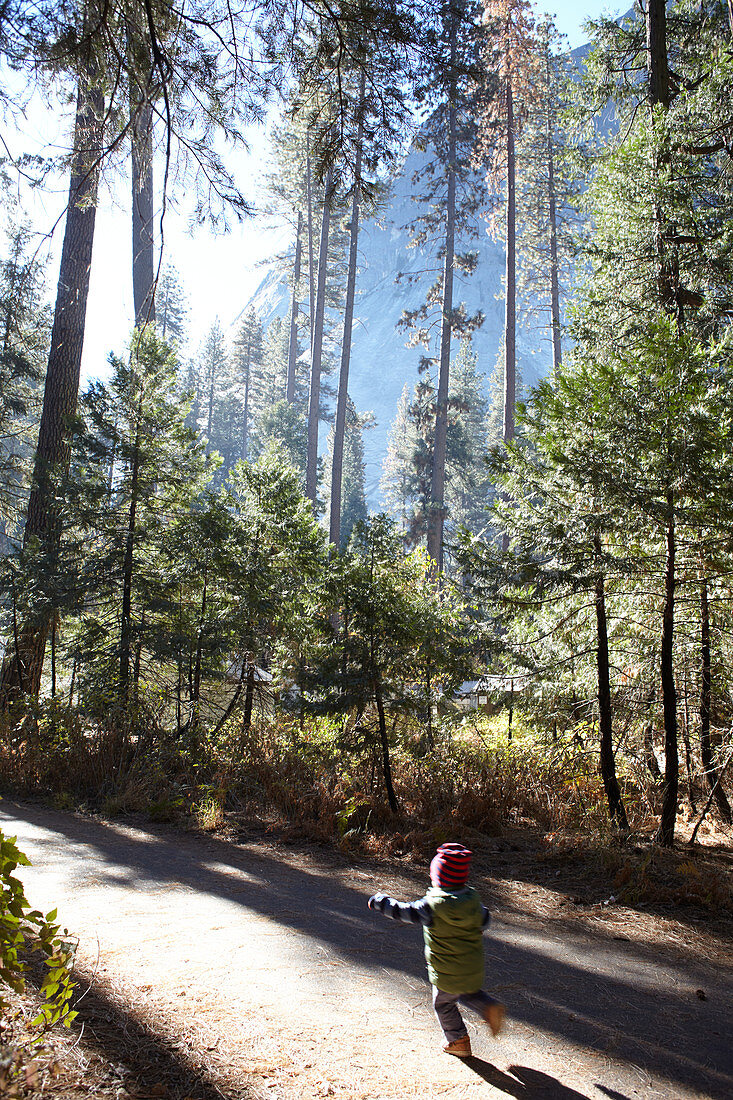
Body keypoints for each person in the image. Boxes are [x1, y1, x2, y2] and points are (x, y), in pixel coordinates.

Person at [367, 841, 505, 1059]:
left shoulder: (431, 906)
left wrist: (380, 902)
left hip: (446, 970)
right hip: (471, 967)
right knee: (468, 993)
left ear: (438, 877)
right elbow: (485, 920)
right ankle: (489, 1007)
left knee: (443, 1004)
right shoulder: (473, 902)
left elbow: (402, 911)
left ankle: (457, 1040)